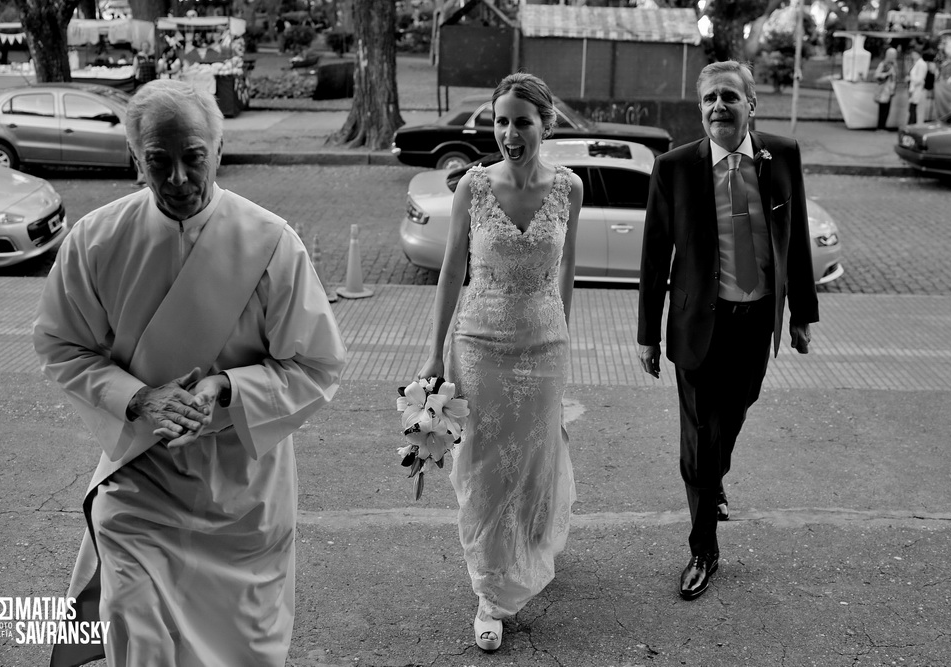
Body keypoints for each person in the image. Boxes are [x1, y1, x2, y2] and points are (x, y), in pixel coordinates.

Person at [35, 79, 347, 667]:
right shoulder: (95, 241)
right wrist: (138, 398)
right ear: (137, 159)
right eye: (159, 161)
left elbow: (315, 363)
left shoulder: (273, 243)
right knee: (137, 631)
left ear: (219, 151)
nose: (177, 178)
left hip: (242, 487)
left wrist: (226, 388)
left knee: (242, 650)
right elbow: (61, 345)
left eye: (193, 158)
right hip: (140, 478)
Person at [637, 61, 819, 602]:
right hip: (697, 322)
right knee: (697, 437)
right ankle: (703, 549)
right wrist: (648, 332)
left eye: (730, 98)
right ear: (700, 109)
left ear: (751, 105)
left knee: (735, 412)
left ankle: (712, 475)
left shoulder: (781, 156)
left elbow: (796, 237)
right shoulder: (674, 168)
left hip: (756, 319)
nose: (719, 107)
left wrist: (801, 316)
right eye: (710, 99)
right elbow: (652, 258)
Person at [417, 72, 583, 652]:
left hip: (543, 348)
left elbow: (565, 275)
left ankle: (530, 549)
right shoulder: (473, 187)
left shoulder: (569, 189)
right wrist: (435, 351)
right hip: (479, 346)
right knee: (485, 469)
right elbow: (450, 272)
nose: (510, 133)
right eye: (501, 121)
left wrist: (562, 351)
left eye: (522, 122)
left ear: (546, 125)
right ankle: (489, 593)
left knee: (534, 464)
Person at [874, 47, 899, 130]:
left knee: (887, 109)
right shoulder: (883, 64)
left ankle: (883, 126)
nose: (894, 56)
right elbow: (877, 75)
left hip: (890, 90)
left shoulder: (894, 65)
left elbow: (895, 76)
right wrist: (887, 74)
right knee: (883, 109)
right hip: (884, 89)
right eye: (892, 55)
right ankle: (880, 126)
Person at [907, 47, 928, 125]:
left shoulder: (921, 64)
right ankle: (911, 124)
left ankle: (912, 124)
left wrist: (910, 79)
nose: (913, 56)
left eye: (914, 54)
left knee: (914, 108)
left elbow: (920, 79)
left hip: (917, 89)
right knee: (911, 108)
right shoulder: (917, 63)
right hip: (913, 88)